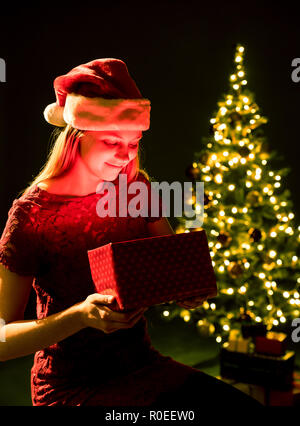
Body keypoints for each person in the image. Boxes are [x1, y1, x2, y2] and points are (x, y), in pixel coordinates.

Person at [0, 58, 262, 407]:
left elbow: (174, 264)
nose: (126, 156)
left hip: (143, 367)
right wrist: (79, 316)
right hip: (71, 387)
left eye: (134, 142)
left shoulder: (134, 189)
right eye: (112, 142)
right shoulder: (31, 215)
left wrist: (187, 287)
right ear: (76, 138)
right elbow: (3, 339)